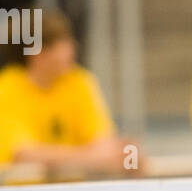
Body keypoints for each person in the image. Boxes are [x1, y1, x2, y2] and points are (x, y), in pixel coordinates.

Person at [0, 9, 134, 177]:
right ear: (37, 53)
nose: (73, 47)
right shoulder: (6, 89)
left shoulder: (79, 81)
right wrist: (92, 158)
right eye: (62, 42)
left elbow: (104, 143)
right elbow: (23, 154)